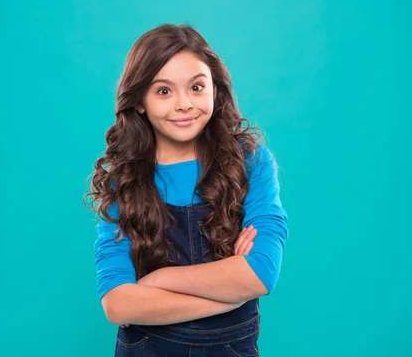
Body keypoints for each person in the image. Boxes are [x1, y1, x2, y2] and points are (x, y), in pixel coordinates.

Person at [84, 23, 289, 356]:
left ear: (215, 89)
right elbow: (118, 304)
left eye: (196, 87)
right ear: (139, 102)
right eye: (164, 91)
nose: (184, 104)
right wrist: (231, 294)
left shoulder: (251, 164)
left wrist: (158, 280)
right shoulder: (123, 181)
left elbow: (261, 273)